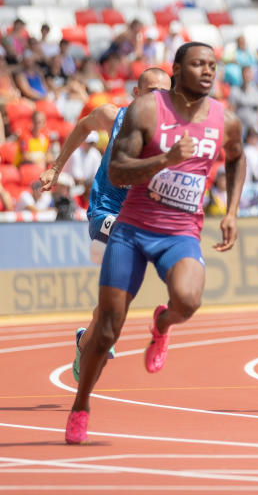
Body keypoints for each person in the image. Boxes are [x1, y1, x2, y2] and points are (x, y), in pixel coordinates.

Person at [65, 43, 246, 444]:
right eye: (198, 64)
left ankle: (162, 324)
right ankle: (80, 405)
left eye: (213, 66)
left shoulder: (224, 120)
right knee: (108, 330)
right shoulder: (145, 112)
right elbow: (117, 170)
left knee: (188, 301)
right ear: (177, 69)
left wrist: (231, 211)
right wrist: (164, 160)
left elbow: (236, 158)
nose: (207, 71)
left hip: (180, 231)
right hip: (131, 229)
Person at [40, 67, 171, 381]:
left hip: (139, 219)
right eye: (151, 91)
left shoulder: (170, 137)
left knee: (111, 311)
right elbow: (84, 125)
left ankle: (85, 340)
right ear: (137, 94)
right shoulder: (114, 117)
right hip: (105, 215)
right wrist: (56, 168)